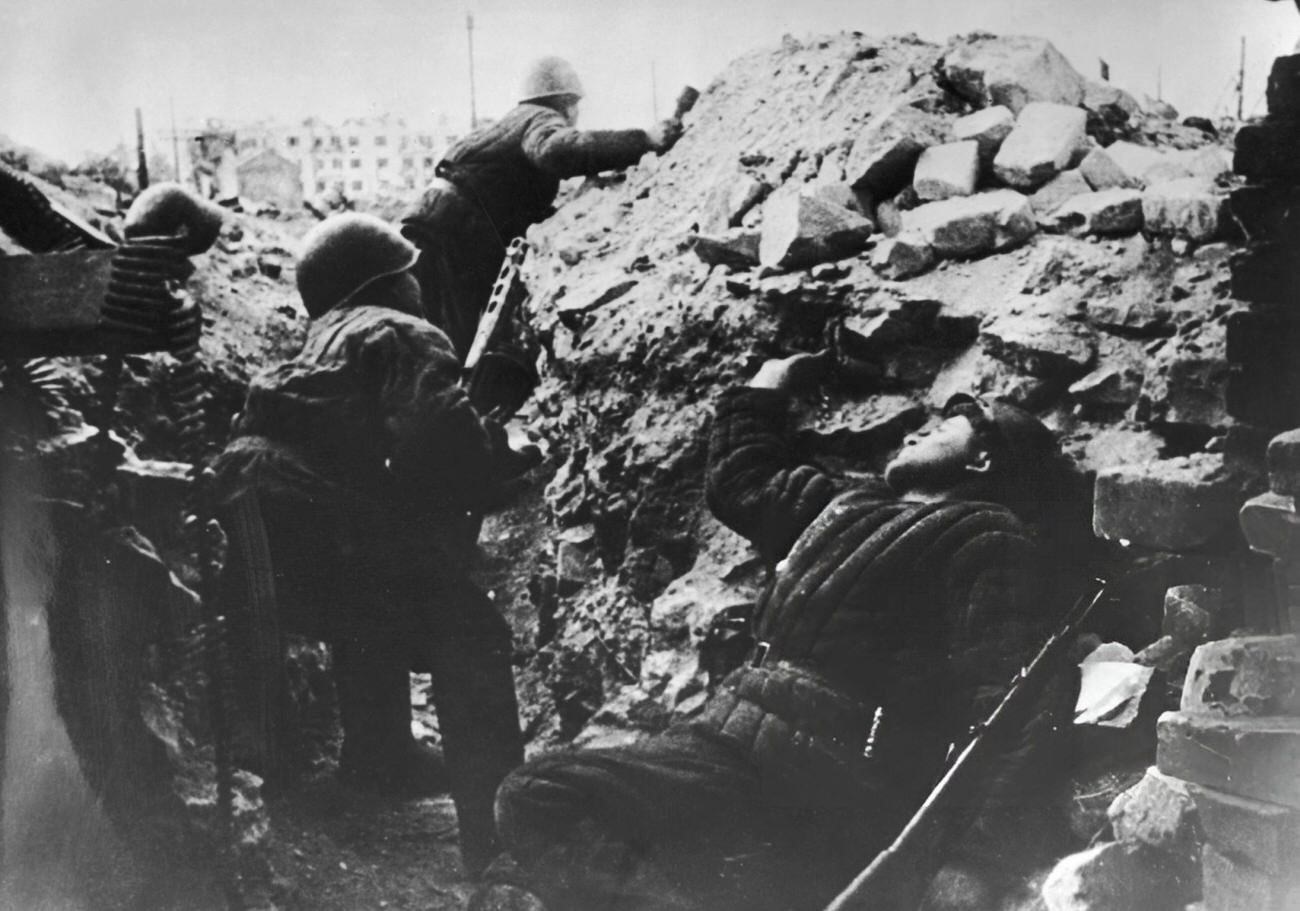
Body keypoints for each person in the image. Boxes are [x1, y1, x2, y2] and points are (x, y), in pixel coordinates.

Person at [473, 351, 1082, 911]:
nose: (919, 428)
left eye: (951, 423)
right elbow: (742, 482)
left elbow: (1011, 704)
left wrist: (973, 861)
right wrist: (765, 386)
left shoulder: (988, 536)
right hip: (725, 746)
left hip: (818, 781)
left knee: (538, 794)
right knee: (525, 859)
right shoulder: (848, 506)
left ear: (983, 459)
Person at [212, 213, 525, 872]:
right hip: (311, 508)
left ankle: (381, 757)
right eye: (408, 273)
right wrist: (503, 453)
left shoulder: (319, 337)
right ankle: (499, 834)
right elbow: (440, 439)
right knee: (469, 632)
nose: (418, 285)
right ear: (383, 282)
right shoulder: (400, 330)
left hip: (255, 515)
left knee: (369, 601)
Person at [401, 56, 684, 361]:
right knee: (462, 339)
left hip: (428, 222)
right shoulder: (540, 119)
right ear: (565, 102)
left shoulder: (510, 123)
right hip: (455, 229)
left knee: (427, 332)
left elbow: (503, 195)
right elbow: (557, 150)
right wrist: (643, 140)